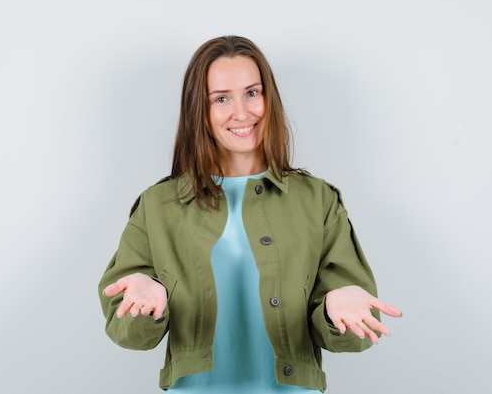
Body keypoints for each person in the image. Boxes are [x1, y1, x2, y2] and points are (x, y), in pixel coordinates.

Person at [98, 35, 401, 393]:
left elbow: (354, 333)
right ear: (200, 110)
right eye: (221, 98)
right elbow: (128, 335)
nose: (241, 112)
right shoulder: (157, 205)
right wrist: (143, 306)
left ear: (268, 98)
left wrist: (338, 309)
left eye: (252, 93)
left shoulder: (318, 200)